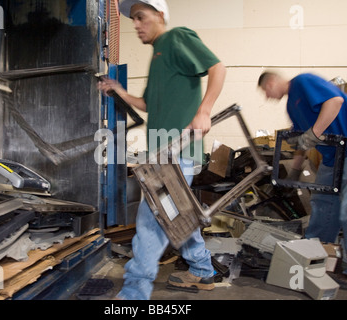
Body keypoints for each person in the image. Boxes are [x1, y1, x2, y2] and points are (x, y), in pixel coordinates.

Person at [99, 0, 226, 300]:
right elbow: (146, 105)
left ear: (160, 16)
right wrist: (119, 91)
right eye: (134, 20)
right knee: (176, 214)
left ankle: (134, 293)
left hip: (179, 150)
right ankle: (203, 270)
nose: (137, 25)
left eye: (142, 17)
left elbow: (217, 68)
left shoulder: (175, 38)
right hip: (165, 153)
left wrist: (204, 111)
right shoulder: (158, 58)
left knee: (151, 219)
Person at [258, 71, 347, 286]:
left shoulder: (303, 82)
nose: (268, 97)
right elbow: (303, 143)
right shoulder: (292, 106)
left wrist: (313, 134)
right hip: (333, 156)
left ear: (271, 82)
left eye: (266, 91)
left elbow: (335, 101)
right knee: (322, 203)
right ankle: (315, 256)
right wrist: (293, 172)